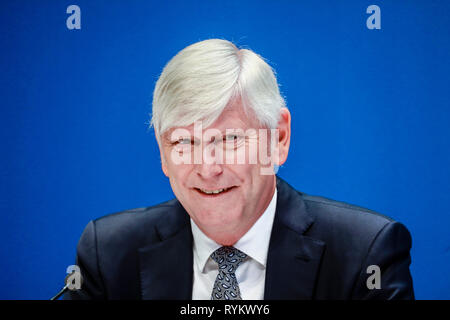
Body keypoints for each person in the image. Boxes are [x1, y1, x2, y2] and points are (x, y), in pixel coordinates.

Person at [64, 39, 414, 300]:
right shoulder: (108, 253)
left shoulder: (366, 253)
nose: (207, 168)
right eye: (184, 143)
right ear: (162, 152)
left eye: (230, 138)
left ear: (278, 138)